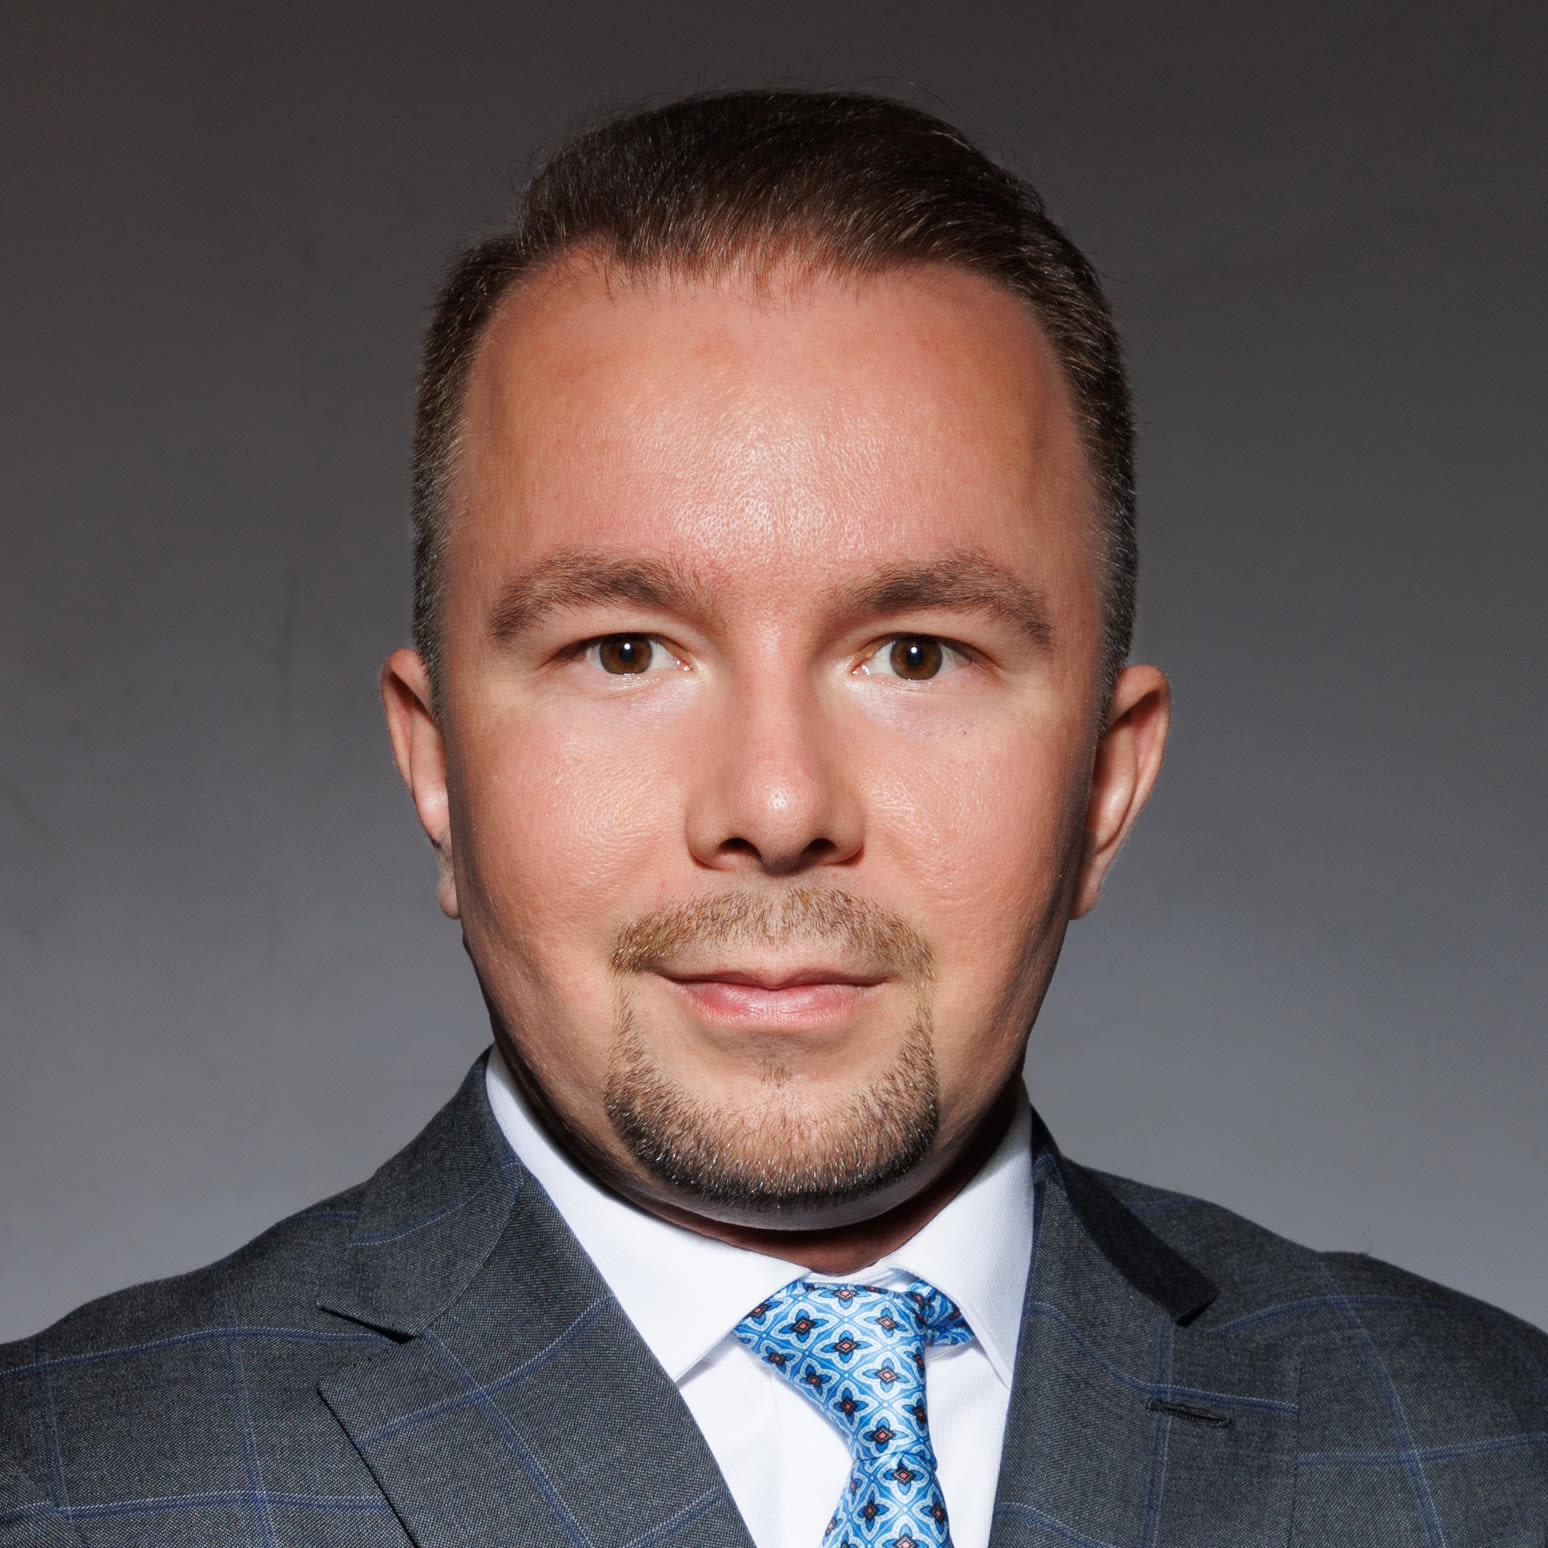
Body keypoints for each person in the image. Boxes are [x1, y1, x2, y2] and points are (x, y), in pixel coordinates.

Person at [2, 89, 1543, 1548]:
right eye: (625, 651)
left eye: (917, 655)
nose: (779, 804)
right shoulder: (71, 1490)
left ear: (1105, 784)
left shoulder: (1494, 1456)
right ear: (438, 770)